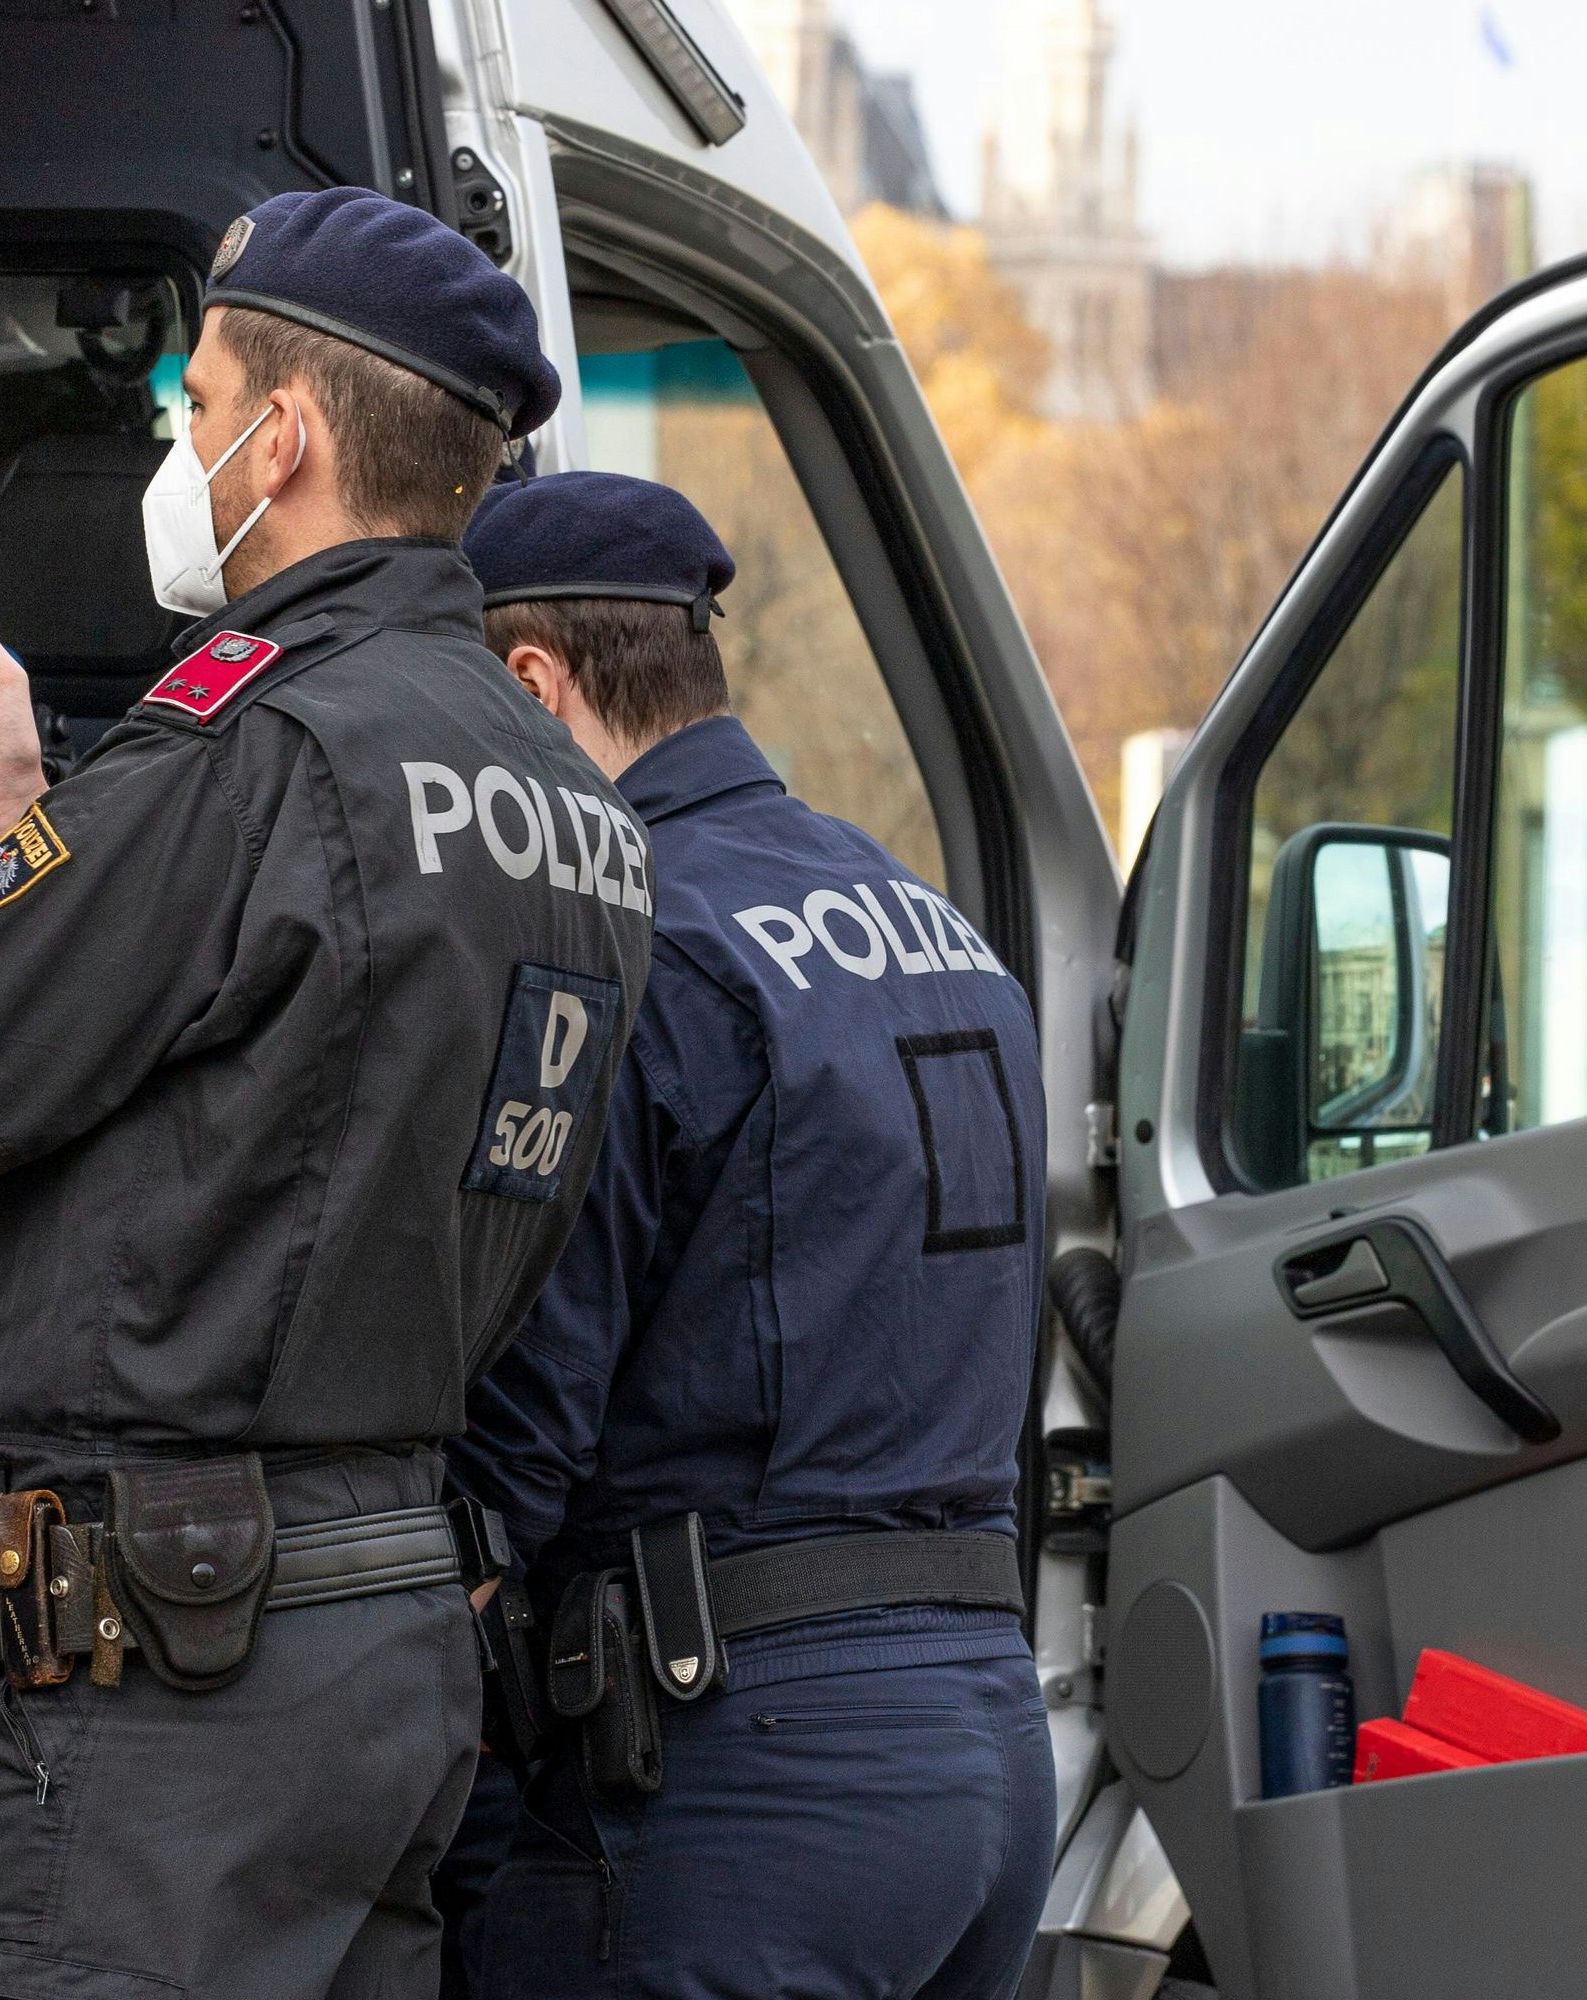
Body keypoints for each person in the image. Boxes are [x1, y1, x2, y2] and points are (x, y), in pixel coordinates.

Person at [0, 188, 647, 2000]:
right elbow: (273, 1096)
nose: (183, 446)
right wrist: (41, 820)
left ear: (283, 439)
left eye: (198, 406)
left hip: (173, 1692)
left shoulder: (253, 747)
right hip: (381, 1651)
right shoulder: (563, 800)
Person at [442, 471, 1054, 1999]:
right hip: (982, 1754)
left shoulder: (628, 941)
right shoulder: (939, 928)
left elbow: (519, 1433)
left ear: (535, 688)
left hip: (745, 1784)